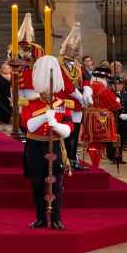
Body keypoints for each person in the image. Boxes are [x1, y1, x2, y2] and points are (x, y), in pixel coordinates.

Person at [22, 55, 73, 230]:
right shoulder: (31, 103)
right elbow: (27, 124)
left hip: (56, 146)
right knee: (37, 184)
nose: (48, 94)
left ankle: (57, 218)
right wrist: (45, 116)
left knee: (57, 183)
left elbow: (69, 128)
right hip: (36, 146)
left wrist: (56, 125)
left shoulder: (62, 103)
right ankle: (41, 218)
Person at [57, 24, 87, 171]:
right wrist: (78, 94)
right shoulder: (59, 63)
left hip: (78, 104)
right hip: (65, 103)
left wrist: (87, 90)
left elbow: (86, 78)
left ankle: (73, 158)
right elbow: (65, 83)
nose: (74, 50)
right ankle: (64, 158)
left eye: (76, 48)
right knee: (66, 132)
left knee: (75, 133)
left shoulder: (77, 64)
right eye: (72, 48)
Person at [79, 67, 120, 169]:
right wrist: (118, 99)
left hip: (89, 117)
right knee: (99, 143)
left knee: (93, 142)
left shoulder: (89, 87)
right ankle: (96, 165)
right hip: (102, 118)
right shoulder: (103, 89)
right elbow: (115, 106)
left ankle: (94, 163)